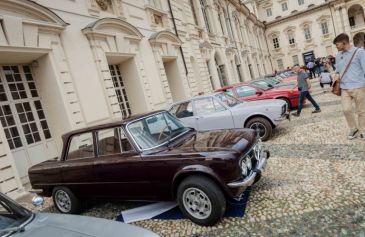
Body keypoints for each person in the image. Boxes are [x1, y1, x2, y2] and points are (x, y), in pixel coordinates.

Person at [333, 33, 365, 140]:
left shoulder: (359, 52)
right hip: (344, 88)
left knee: (361, 111)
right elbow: (337, 70)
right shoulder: (338, 55)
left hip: (359, 86)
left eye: (337, 44)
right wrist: (336, 76)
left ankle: (363, 130)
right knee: (346, 110)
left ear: (344, 43)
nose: (336, 47)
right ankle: (353, 128)